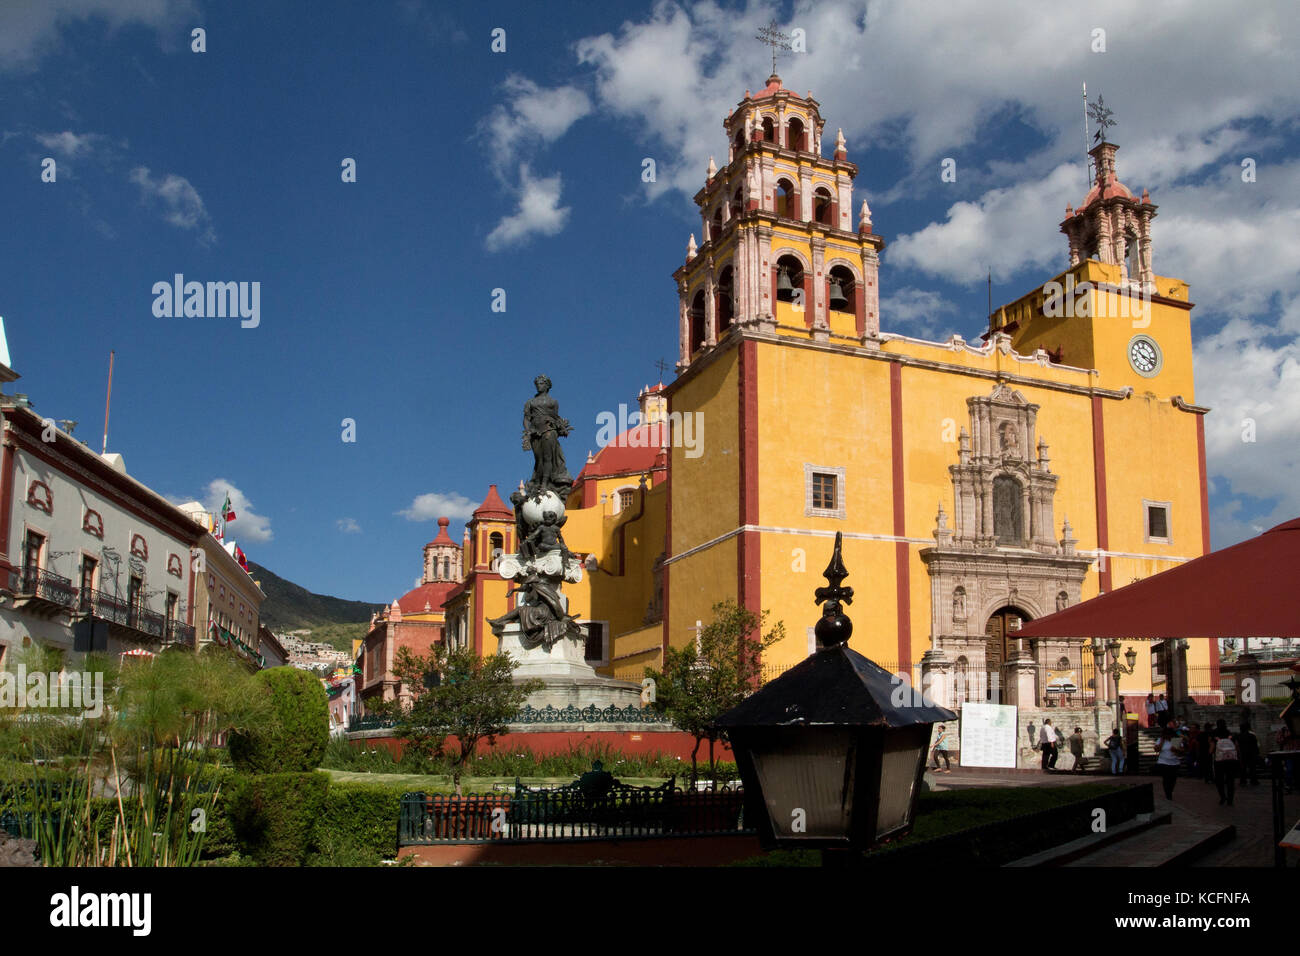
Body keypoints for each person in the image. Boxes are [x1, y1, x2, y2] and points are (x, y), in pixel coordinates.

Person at [1211, 719, 1239, 806]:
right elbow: (1236, 746)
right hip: (1231, 760)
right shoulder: (1230, 734)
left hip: (1219, 760)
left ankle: (1223, 797)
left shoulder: (1214, 734)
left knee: (1219, 780)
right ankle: (1230, 799)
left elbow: (1211, 748)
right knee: (1230, 780)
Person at [1154, 726, 1184, 799]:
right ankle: (1168, 794)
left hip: (1174, 763)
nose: (1167, 737)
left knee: (1173, 779)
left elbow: (1180, 751)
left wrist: (1177, 749)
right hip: (1163, 762)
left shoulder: (1176, 740)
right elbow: (1156, 749)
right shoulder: (1161, 740)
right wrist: (1162, 742)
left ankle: (1170, 791)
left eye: (1168, 735)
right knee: (1166, 778)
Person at [1237, 721, 1260, 786]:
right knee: (1252, 768)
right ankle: (1253, 780)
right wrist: (1257, 753)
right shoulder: (1252, 736)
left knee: (1243, 768)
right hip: (1251, 753)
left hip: (1242, 753)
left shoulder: (1239, 736)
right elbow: (1255, 746)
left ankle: (1243, 781)